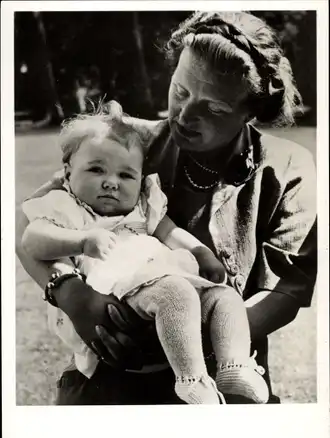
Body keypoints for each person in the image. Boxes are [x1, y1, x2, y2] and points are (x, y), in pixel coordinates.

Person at [16, 11, 317, 405]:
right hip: (111, 379)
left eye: (214, 109)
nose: (185, 115)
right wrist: (72, 294)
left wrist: (181, 332)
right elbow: (32, 223)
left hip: (225, 379)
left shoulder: (288, 167)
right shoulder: (124, 146)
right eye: (180, 91)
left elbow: (284, 293)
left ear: (251, 112)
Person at [21, 102, 269, 405]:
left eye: (126, 175)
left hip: (164, 274)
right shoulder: (65, 205)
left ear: (141, 180)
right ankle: (192, 381)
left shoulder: (142, 206)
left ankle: (234, 367)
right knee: (175, 293)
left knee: (223, 297)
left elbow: (170, 232)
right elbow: (32, 239)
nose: (111, 182)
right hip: (119, 285)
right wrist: (82, 241)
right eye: (96, 169)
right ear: (67, 172)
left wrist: (202, 253)